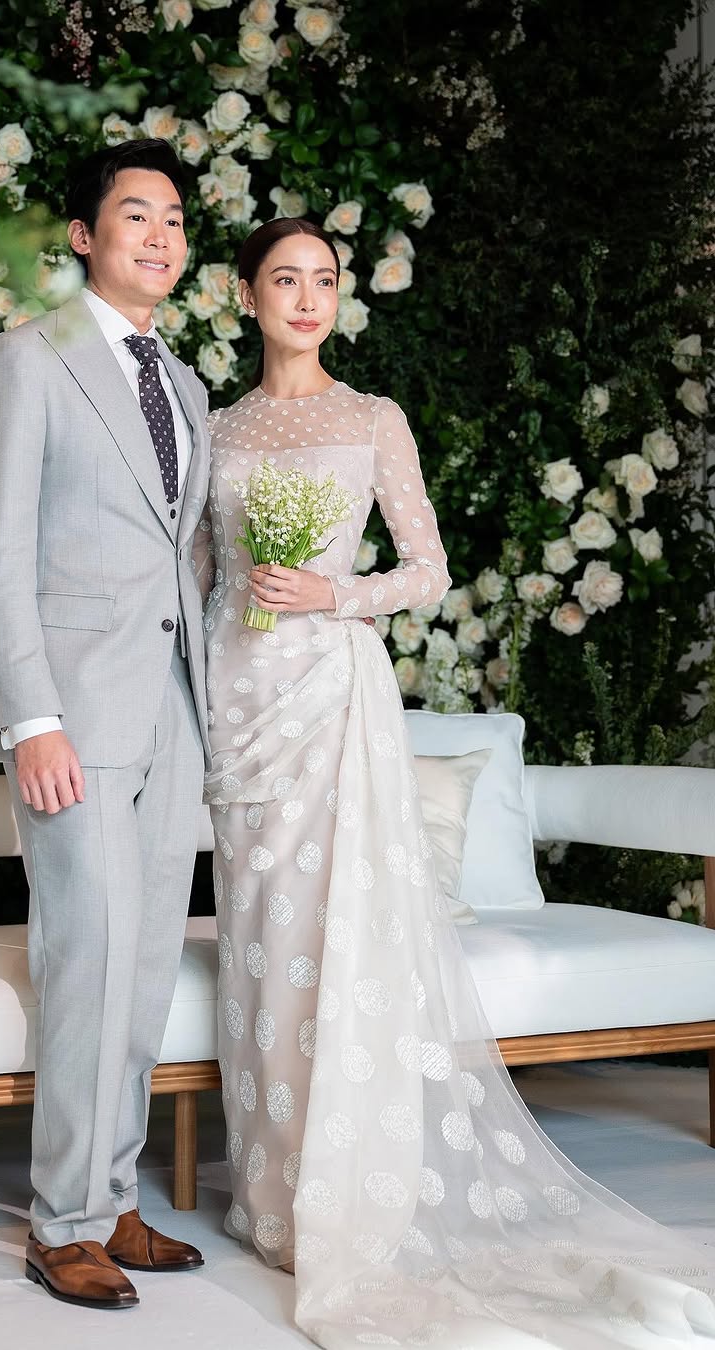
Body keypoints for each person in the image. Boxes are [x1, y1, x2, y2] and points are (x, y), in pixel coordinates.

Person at [198, 216, 715, 1347]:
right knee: (261, 943)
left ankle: (354, 1191)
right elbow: (201, 585)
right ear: (245, 296)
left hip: (332, 698)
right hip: (240, 708)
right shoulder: (216, 427)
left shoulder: (372, 418)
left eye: (324, 279)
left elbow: (427, 568)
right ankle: (275, 1196)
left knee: (339, 940)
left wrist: (334, 596)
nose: (307, 298)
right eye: (284, 279)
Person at [0, 138, 211, 1312]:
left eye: (175, 219)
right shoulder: (25, 362)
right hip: (72, 718)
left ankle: (112, 1199)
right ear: (83, 235)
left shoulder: (186, 385)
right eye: (135, 214)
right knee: (89, 955)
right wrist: (32, 719)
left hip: (171, 713)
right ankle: (60, 1222)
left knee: (145, 966)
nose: (159, 236)